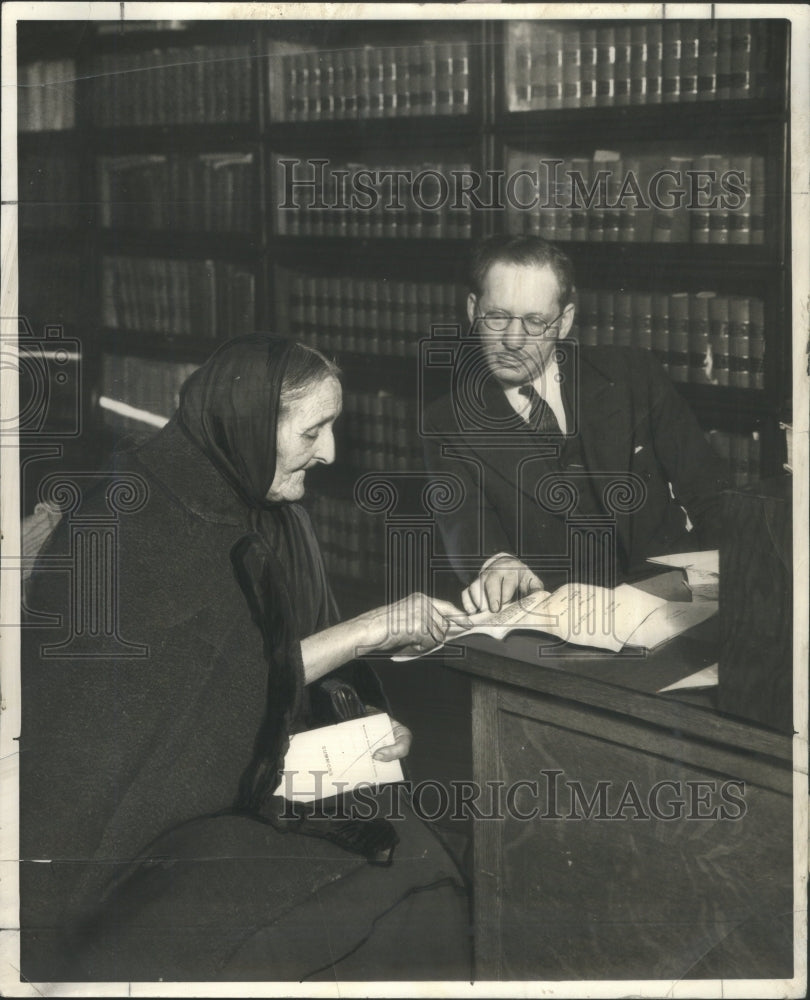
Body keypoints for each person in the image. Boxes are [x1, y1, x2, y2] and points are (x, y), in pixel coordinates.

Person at [20, 336, 471, 983]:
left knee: (421, 859)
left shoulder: (269, 508)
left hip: (235, 772)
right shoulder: (125, 522)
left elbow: (263, 677)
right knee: (372, 893)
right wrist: (366, 631)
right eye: (314, 430)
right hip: (124, 828)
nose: (332, 452)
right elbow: (182, 711)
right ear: (251, 425)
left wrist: (357, 728)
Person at [423, 235, 729, 614]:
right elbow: (465, 524)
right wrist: (495, 564)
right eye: (497, 317)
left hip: (671, 608)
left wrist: (725, 595)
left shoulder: (633, 376)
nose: (513, 340)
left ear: (564, 321)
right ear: (473, 310)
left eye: (535, 321)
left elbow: (712, 496)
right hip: (556, 624)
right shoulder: (447, 421)